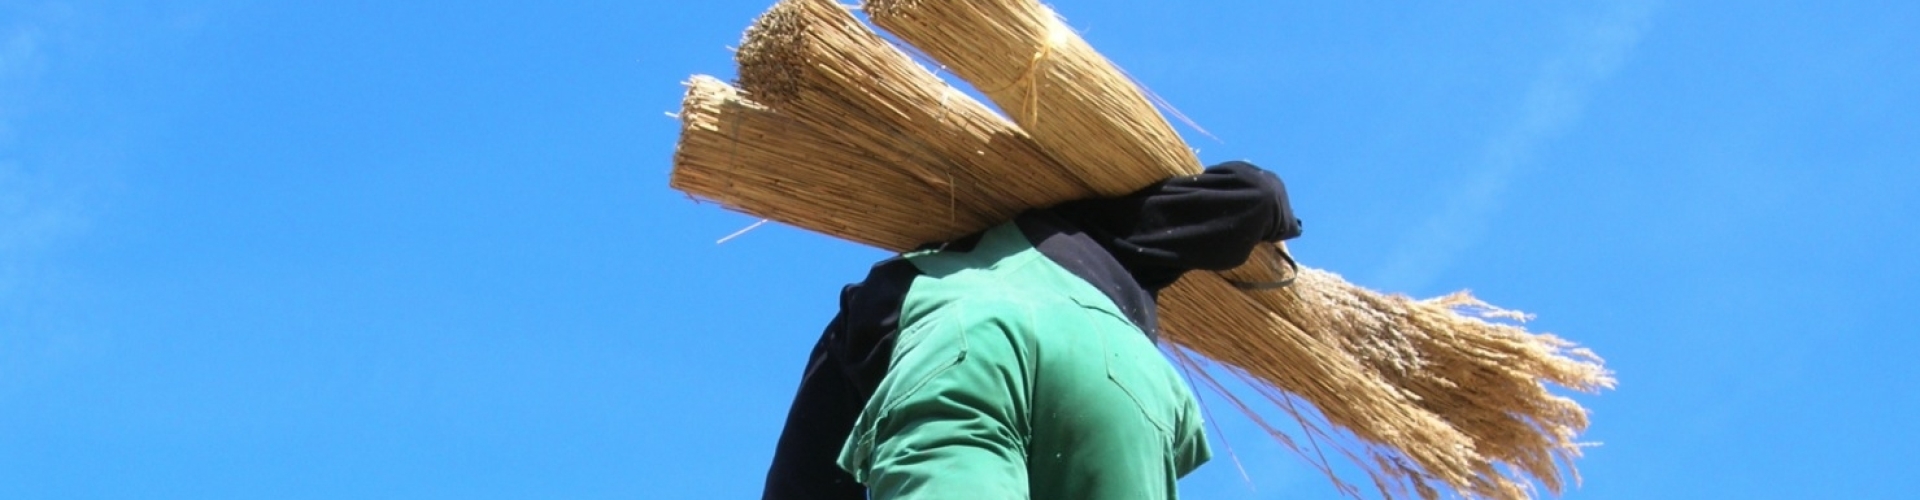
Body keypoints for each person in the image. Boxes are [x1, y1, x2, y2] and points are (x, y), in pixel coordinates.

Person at [762, 161, 1304, 500]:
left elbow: (805, 463)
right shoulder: (1102, 227)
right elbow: (1255, 193)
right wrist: (1282, 221)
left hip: (967, 349)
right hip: (1118, 384)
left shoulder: (908, 276)